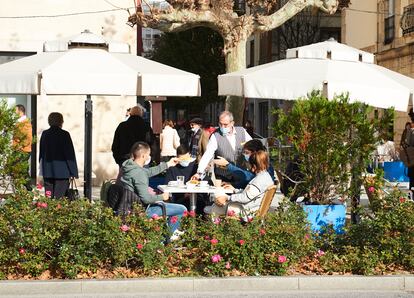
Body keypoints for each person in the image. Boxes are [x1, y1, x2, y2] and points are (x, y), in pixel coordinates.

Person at [120, 142, 187, 239]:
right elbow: (146, 199)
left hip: (129, 206)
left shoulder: (129, 167)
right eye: (149, 154)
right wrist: (162, 197)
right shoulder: (139, 173)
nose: (149, 157)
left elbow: (148, 172)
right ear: (143, 155)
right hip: (142, 209)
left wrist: (168, 164)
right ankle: (169, 238)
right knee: (182, 209)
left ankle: (168, 235)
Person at [205, 150, 273, 217]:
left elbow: (245, 197)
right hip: (253, 208)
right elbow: (249, 194)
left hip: (247, 211)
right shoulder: (266, 177)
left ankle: (214, 226)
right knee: (217, 201)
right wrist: (235, 190)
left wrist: (227, 197)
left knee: (213, 207)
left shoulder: (258, 180)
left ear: (254, 166)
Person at [192, 111, 252, 182]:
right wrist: (199, 172)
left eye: (225, 124)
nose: (222, 127)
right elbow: (207, 154)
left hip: (242, 174)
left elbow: (253, 147)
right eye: (220, 124)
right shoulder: (215, 136)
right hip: (223, 176)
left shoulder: (242, 131)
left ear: (232, 123)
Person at [39, 112, 78, 199]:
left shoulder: (45, 134)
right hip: (62, 173)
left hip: (48, 172)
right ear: (61, 122)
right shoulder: (64, 134)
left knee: (48, 197)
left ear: (49, 121)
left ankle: (47, 212)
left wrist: (42, 170)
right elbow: (69, 155)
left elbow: (41, 153)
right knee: (59, 199)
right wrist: (73, 171)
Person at [13, 104, 33, 190]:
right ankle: (21, 189)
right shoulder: (19, 121)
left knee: (23, 170)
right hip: (18, 149)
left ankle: (29, 188)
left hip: (23, 150)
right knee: (17, 169)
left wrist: (20, 146)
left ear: (20, 111)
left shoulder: (25, 122)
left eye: (15, 110)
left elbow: (28, 137)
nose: (14, 112)